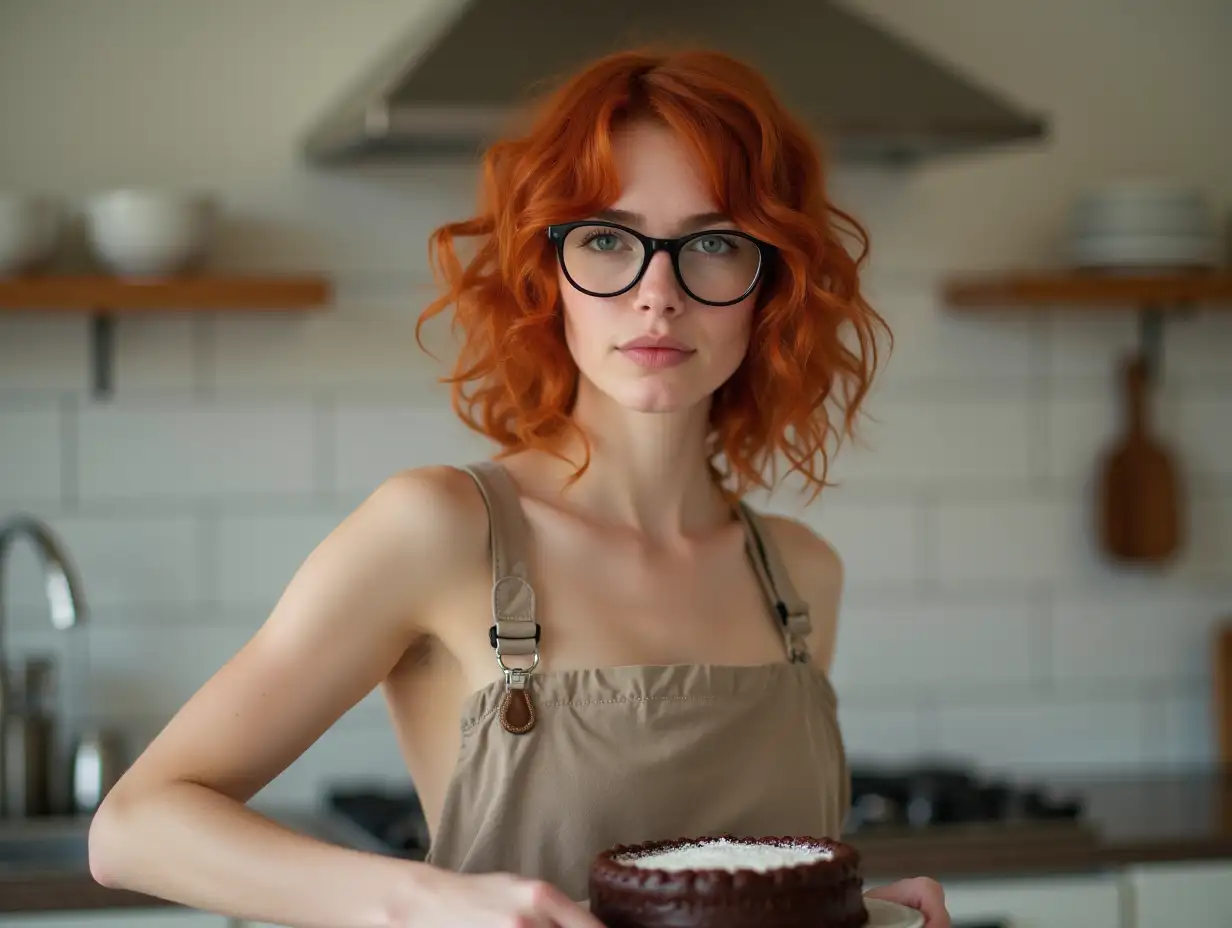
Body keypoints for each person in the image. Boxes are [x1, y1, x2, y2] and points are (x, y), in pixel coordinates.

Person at [88, 47, 950, 928]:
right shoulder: (439, 531)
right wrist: (429, 902)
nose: (657, 295)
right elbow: (133, 828)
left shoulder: (802, 576)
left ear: (772, 283)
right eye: (608, 239)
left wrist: (848, 911)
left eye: (715, 242)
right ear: (548, 274)